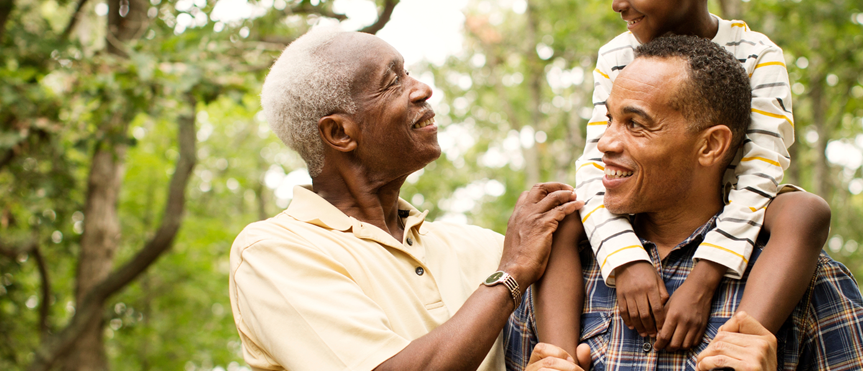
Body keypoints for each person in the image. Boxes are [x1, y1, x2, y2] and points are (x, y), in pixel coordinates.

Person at [229, 27, 778, 371]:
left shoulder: (478, 246)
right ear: (339, 133)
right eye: (391, 81)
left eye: (409, 71)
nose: (422, 88)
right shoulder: (274, 252)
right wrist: (511, 273)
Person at [535, 0, 833, 357]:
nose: (617, 3)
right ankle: (558, 358)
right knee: (561, 215)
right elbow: (597, 164)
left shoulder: (757, 55)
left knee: (804, 211)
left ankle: (738, 346)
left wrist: (704, 277)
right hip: (639, 205)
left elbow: (761, 170)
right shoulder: (617, 56)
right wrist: (626, 260)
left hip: (729, 211)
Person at [506, 36, 863, 370]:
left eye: (635, 124)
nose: (605, 143)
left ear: (710, 145)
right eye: (609, 120)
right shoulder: (561, 273)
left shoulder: (801, 277)